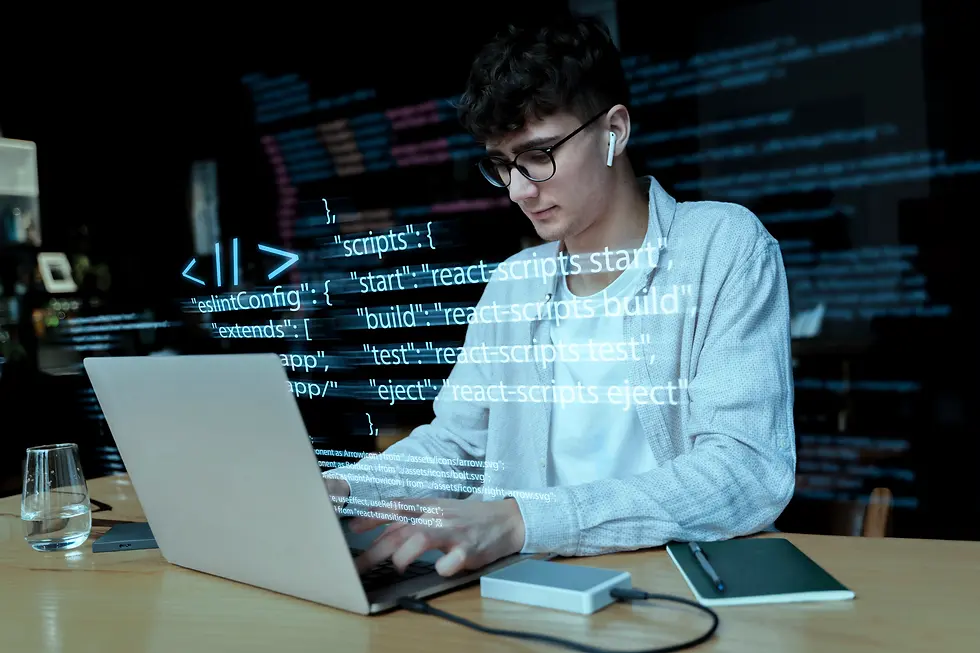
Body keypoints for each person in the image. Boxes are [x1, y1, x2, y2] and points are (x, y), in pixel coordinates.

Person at [324, 16, 796, 578]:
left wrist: (522, 521)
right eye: (502, 164)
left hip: (687, 584)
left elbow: (744, 472)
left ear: (613, 131)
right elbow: (458, 448)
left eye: (540, 153)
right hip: (534, 588)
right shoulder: (514, 284)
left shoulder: (722, 246)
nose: (520, 190)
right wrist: (340, 488)